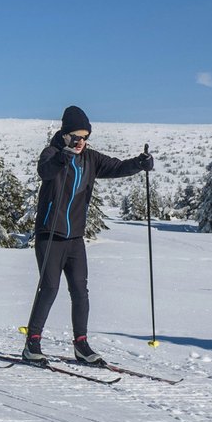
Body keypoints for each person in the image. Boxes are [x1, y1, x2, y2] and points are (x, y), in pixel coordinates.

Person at [22, 105, 154, 365]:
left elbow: (117, 167)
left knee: (80, 291)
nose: (81, 141)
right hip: (50, 234)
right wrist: (64, 156)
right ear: (65, 135)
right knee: (49, 288)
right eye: (76, 136)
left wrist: (140, 164)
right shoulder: (51, 153)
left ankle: (81, 344)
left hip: (74, 238)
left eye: (85, 136)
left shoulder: (91, 159)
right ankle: (32, 343)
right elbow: (45, 171)